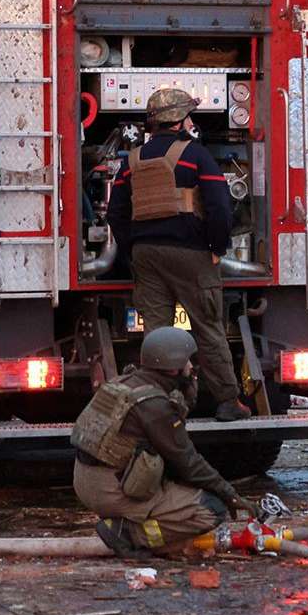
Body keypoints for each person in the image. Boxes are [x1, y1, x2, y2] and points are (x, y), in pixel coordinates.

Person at [106, 88, 250, 422]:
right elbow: (219, 206)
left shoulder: (132, 160)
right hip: (191, 255)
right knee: (208, 328)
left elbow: (116, 213)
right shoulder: (196, 156)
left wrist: (133, 248)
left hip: (146, 256)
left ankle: (158, 408)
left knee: (156, 336)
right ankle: (228, 402)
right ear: (181, 120)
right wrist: (217, 248)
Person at [70, 327, 257, 558]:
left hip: (87, 480)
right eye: (189, 361)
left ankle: (129, 523)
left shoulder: (124, 383)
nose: (192, 368)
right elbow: (188, 462)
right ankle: (129, 534)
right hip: (111, 490)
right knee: (211, 509)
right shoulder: (155, 406)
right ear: (173, 367)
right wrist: (230, 494)